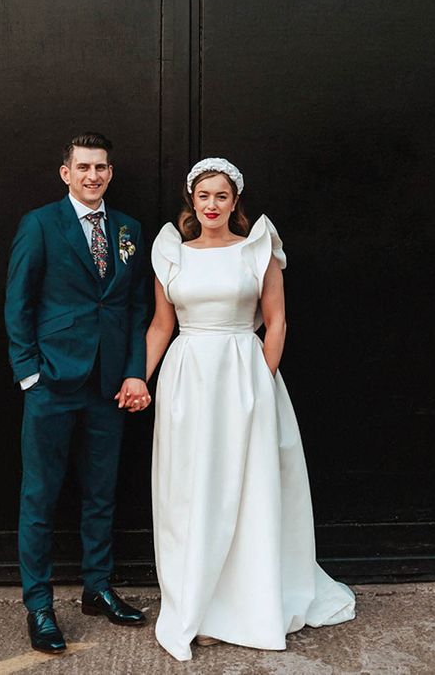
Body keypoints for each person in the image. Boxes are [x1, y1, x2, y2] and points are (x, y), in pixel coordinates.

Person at [146, 158, 355, 660]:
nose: (212, 205)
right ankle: (198, 603)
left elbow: (276, 321)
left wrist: (262, 377)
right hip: (189, 378)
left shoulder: (257, 249)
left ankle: (243, 605)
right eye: (203, 197)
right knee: (191, 489)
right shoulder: (172, 252)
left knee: (248, 488)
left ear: (234, 201)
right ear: (191, 202)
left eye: (221, 196)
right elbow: (160, 324)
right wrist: (141, 376)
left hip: (245, 372)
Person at [4, 132, 150, 654]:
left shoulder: (129, 228)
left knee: (101, 492)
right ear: (65, 172)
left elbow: (134, 309)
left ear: (111, 173)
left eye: (102, 168)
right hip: (53, 382)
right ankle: (39, 605)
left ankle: (97, 588)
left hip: (108, 385)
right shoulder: (41, 224)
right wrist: (29, 374)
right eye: (84, 167)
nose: (94, 176)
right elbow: (19, 302)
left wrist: (135, 371)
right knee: (40, 495)